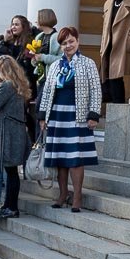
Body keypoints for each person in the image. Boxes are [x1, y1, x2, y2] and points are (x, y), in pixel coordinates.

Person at [37, 26, 101, 211]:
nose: (68, 46)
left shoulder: (88, 63)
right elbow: (47, 91)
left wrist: (94, 114)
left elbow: (96, 90)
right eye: (64, 43)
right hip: (57, 115)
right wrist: (42, 116)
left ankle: (77, 196)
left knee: (75, 157)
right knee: (60, 157)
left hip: (78, 116)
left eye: (71, 41)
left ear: (78, 41)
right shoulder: (56, 65)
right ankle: (63, 193)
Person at [0, 56, 31, 220]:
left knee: (10, 171)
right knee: (12, 171)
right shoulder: (20, 85)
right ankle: (9, 205)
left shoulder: (6, 86)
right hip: (17, 132)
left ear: (2, 70)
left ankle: (11, 207)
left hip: (7, 133)